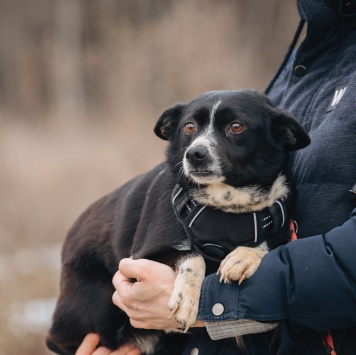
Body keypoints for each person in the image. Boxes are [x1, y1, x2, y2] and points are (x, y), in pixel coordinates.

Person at [78, 0, 356, 353]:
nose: (197, 148)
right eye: (191, 131)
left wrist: (213, 301)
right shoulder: (308, 55)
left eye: (236, 127)